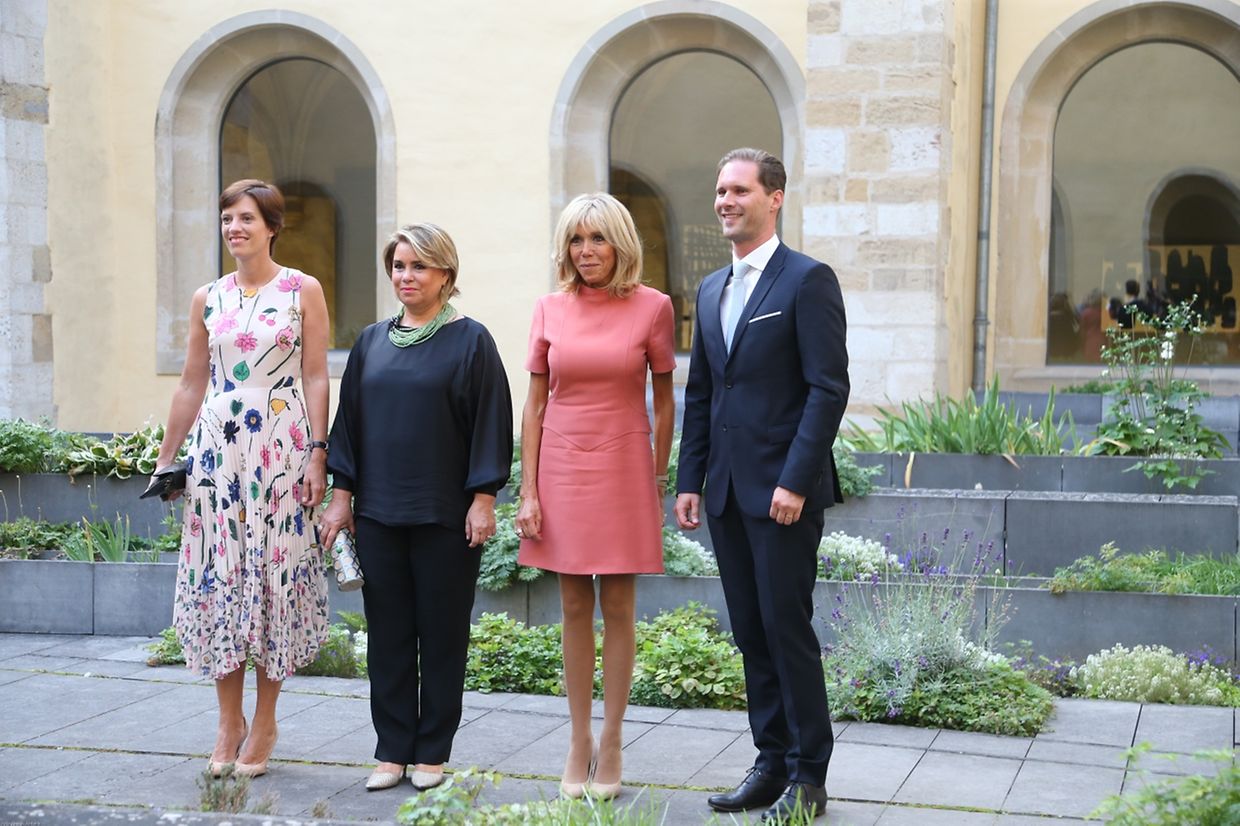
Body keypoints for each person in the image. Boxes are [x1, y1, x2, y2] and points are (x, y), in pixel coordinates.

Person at [675, 148, 849, 822]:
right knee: (750, 632)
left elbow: (827, 389)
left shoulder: (807, 281)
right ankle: (770, 762)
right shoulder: (712, 288)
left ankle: (810, 776)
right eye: (719, 190)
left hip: (783, 497)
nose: (725, 201)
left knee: (786, 629)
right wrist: (690, 478)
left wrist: (796, 480)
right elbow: (702, 395)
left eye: (739, 190)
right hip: (724, 494)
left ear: (774, 197)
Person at [318, 223, 512, 792]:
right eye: (399, 266)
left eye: (419, 267)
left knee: (443, 634)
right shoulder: (372, 342)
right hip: (378, 514)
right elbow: (348, 425)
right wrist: (341, 498)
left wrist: (483, 499)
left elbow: (490, 423)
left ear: (446, 276)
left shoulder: (472, 340)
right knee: (389, 636)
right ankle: (391, 749)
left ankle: (432, 751)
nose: (406, 276)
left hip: (446, 516)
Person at [153, 178, 331, 778]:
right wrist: (165, 459)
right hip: (218, 452)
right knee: (221, 573)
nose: (235, 227)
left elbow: (314, 377)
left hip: (282, 446)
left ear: (272, 226)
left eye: (247, 217)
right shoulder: (209, 296)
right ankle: (227, 721)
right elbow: (189, 381)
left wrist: (317, 453)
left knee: (274, 572)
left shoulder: (302, 289)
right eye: (228, 217)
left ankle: (266, 719)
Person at [515, 193, 676, 800]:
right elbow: (534, 405)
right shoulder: (549, 309)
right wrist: (528, 490)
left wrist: (656, 478)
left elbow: (664, 402)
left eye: (598, 239)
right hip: (560, 463)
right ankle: (577, 738)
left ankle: (612, 739)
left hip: (625, 464)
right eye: (577, 240)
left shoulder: (653, 308)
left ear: (621, 244)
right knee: (574, 607)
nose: (587, 251)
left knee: (620, 609)